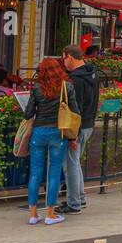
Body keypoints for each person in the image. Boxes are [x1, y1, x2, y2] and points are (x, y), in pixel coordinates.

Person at [22, 57, 79, 226]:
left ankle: (32, 214)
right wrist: (72, 137)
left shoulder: (37, 89)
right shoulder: (66, 87)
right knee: (54, 173)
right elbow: (74, 111)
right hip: (57, 132)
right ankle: (50, 213)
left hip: (38, 132)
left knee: (35, 172)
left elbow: (28, 114)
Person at [60, 46, 99, 214]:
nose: (63, 63)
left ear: (69, 57)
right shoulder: (92, 73)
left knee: (70, 164)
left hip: (78, 127)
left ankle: (74, 203)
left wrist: (72, 134)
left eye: (63, 58)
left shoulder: (75, 80)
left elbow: (76, 108)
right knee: (75, 163)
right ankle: (80, 197)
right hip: (89, 123)